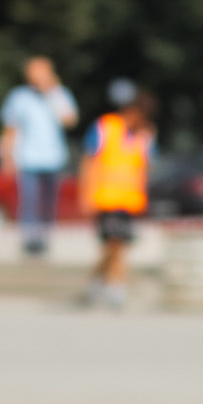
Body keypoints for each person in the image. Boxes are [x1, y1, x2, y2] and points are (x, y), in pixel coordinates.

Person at [82, 79, 153, 309]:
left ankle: (96, 281)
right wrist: (86, 193)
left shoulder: (146, 135)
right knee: (115, 244)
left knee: (116, 246)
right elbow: (90, 161)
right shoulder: (105, 126)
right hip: (107, 198)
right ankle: (116, 288)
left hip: (130, 201)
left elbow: (144, 168)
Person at [0, 56, 78, 257]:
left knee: (49, 202)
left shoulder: (60, 94)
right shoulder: (19, 96)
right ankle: (30, 239)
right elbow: (11, 129)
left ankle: (45, 237)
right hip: (28, 158)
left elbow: (69, 120)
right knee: (29, 201)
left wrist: (52, 92)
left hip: (53, 157)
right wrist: (8, 157)